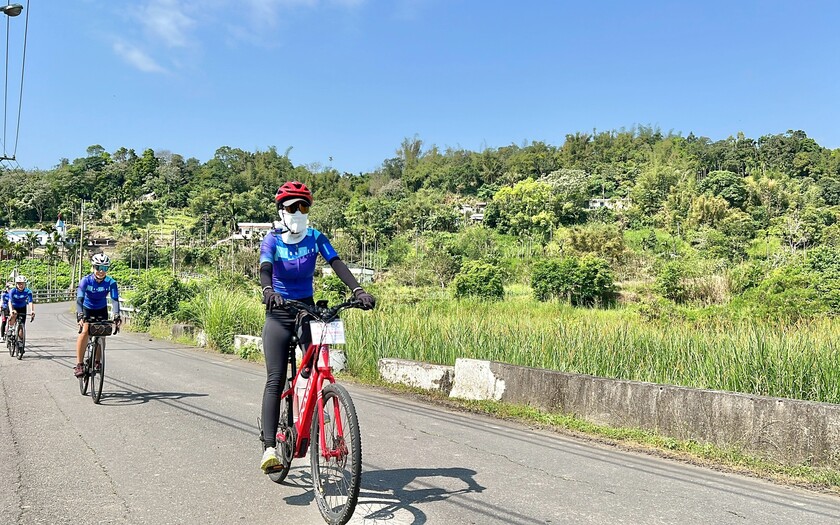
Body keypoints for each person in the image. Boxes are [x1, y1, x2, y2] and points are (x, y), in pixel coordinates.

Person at [258, 181, 376, 473]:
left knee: (314, 366)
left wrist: (358, 290)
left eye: (304, 206)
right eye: (292, 207)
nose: (298, 212)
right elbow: (265, 268)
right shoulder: (272, 240)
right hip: (279, 311)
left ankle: (313, 405)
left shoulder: (315, 238)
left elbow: (337, 263)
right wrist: (268, 291)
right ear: (281, 211)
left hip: (307, 310)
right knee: (275, 379)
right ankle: (270, 448)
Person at [74, 253, 121, 378]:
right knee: (85, 331)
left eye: (104, 268)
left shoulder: (111, 282)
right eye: (98, 267)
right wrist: (80, 315)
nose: (101, 271)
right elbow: (79, 299)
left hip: (101, 309)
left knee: (102, 335)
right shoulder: (85, 281)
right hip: (87, 308)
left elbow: (115, 300)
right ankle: (79, 364)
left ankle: (97, 361)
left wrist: (116, 315)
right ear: (93, 267)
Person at [8, 275, 34, 354]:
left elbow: (30, 302)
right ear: (16, 284)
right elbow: (9, 301)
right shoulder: (13, 291)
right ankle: (10, 329)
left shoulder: (28, 291)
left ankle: (20, 342)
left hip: (22, 307)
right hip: (14, 306)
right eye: (19, 283)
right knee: (14, 314)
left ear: (25, 284)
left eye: (22, 283)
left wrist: (32, 311)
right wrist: (11, 310)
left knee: (21, 326)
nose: (20, 285)